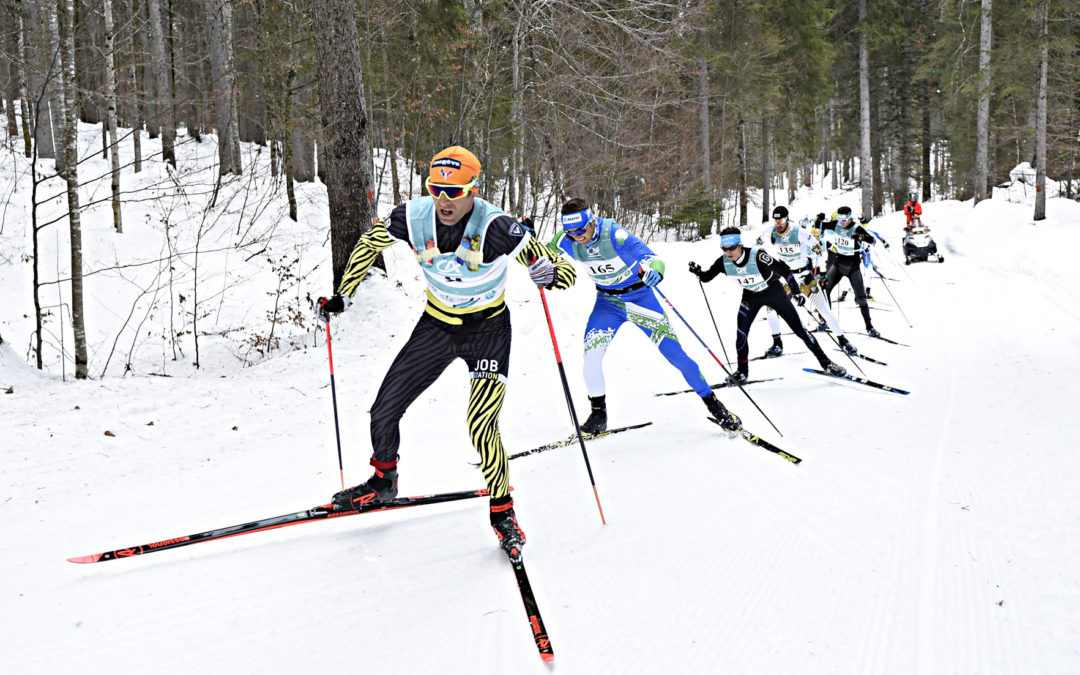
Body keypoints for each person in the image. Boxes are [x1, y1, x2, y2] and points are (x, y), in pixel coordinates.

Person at [315, 146, 576, 560]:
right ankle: (383, 481)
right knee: (383, 410)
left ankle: (503, 513)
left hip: (488, 330)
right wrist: (343, 294)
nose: (444, 200)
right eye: (436, 189)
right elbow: (369, 242)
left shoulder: (496, 227)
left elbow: (563, 271)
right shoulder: (413, 216)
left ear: (474, 188)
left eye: (455, 191)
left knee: (480, 425)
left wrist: (550, 274)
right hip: (437, 326)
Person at [548, 198, 742, 434]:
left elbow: (652, 258)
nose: (577, 236)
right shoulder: (566, 239)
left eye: (580, 230)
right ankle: (598, 414)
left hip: (640, 299)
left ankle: (716, 407)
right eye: (570, 232)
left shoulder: (614, 235)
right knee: (591, 358)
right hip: (608, 303)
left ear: (591, 221)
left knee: (676, 356)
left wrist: (656, 272)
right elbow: (542, 252)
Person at [689, 226, 847, 383]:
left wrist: (796, 292)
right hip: (751, 296)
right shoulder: (723, 262)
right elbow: (707, 277)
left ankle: (827, 363)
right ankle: (742, 372)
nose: (728, 252)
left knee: (800, 331)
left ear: (740, 245)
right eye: (724, 249)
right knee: (741, 334)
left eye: (731, 248)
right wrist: (698, 272)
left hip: (774, 293)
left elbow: (784, 270)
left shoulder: (757, 256)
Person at [761, 207, 858, 357]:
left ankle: (843, 340)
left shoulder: (799, 232)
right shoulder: (770, 231)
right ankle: (777, 344)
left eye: (780, 220)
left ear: (787, 219)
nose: (778, 224)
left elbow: (819, 249)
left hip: (805, 276)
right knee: (771, 310)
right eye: (775, 220)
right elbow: (756, 245)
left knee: (824, 309)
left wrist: (821, 271)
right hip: (786, 278)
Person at [820, 206, 881, 338]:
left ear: (850, 217)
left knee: (861, 298)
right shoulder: (836, 224)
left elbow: (872, 240)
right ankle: (825, 321)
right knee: (824, 289)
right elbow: (820, 225)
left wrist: (860, 236)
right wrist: (817, 221)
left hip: (852, 267)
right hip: (837, 265)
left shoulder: (856, 228)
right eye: (839, 219)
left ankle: (869, 326)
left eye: (844, 219)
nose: (841, 222)